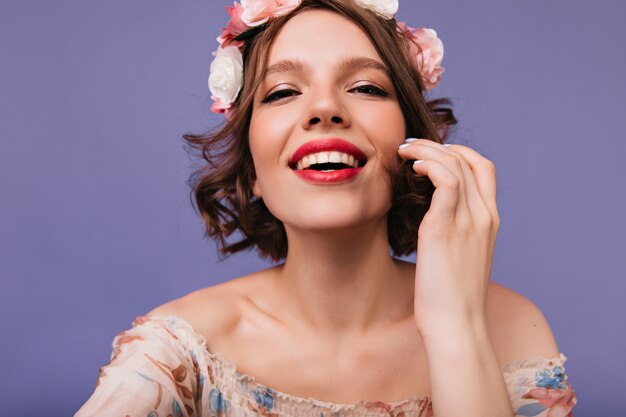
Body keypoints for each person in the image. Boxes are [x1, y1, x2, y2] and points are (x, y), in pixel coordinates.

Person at [75, 1, 578, 416]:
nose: (324, 109)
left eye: (365, 87)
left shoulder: (510, 329)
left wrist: (456, 327)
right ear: (251, 168)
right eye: (283, 92)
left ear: (416, 145)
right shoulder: (179, 355)